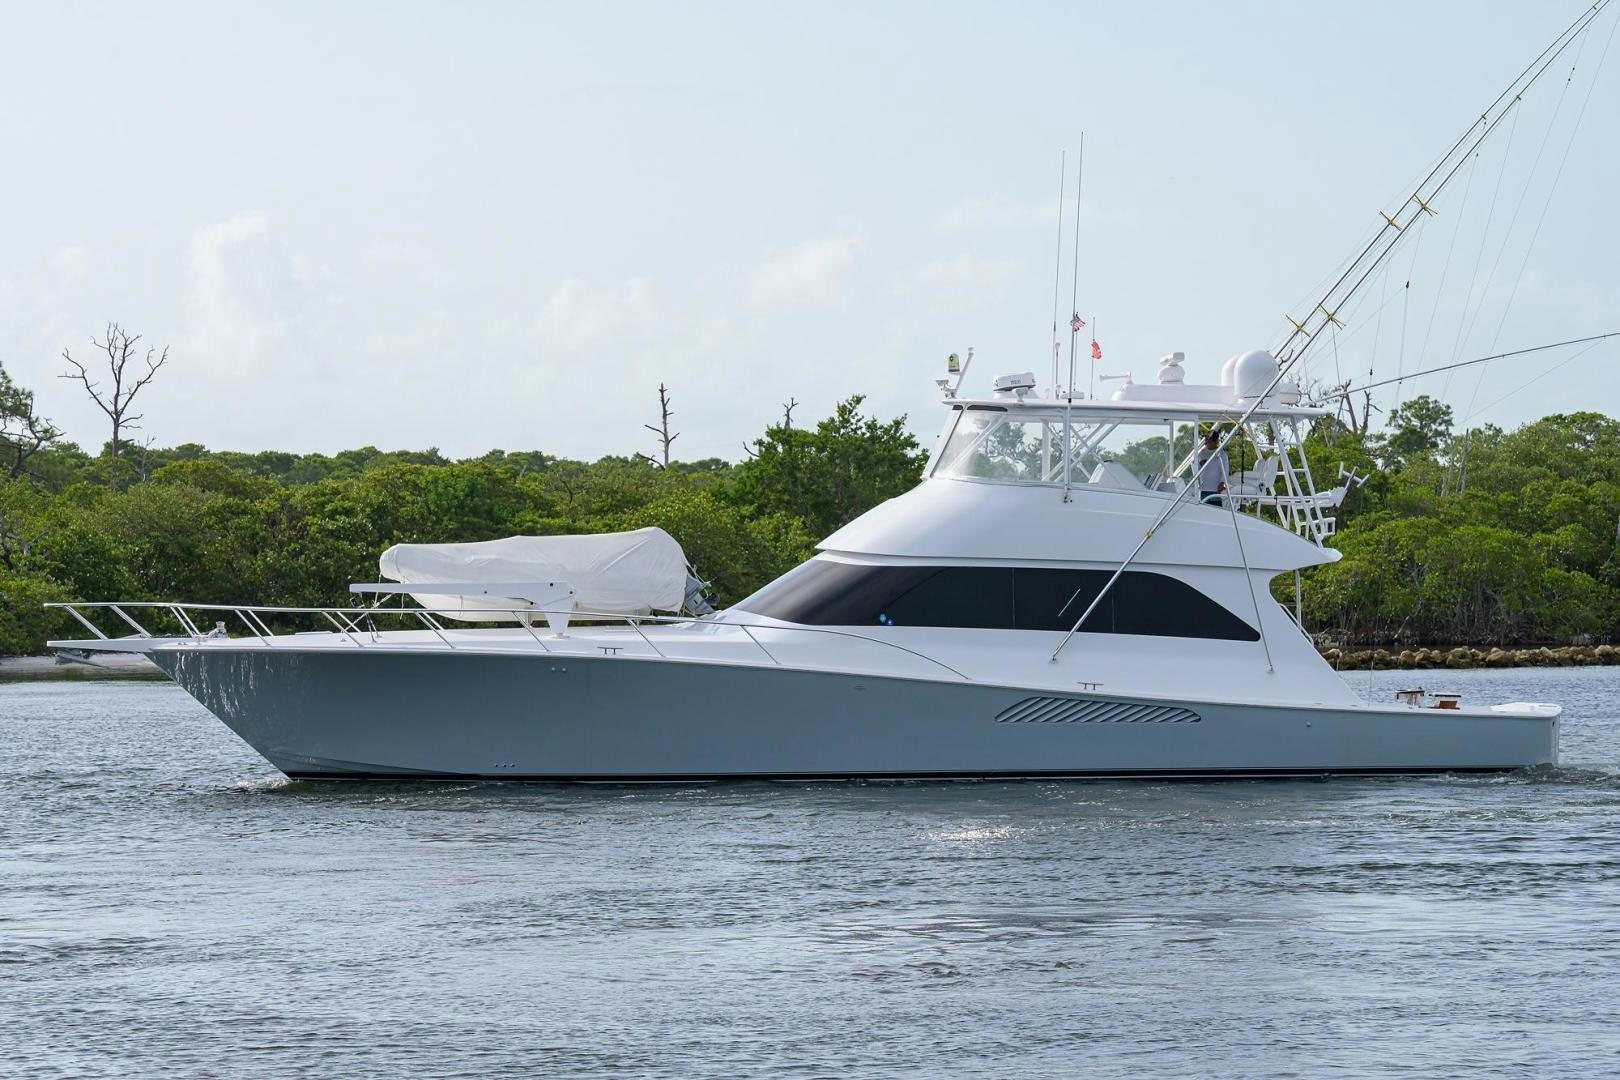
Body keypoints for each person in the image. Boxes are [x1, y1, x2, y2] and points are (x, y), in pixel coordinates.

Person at [1196, 429, 1228, 507]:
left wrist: (1222, 483)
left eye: (1209, 440)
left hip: (1215, 491)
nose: (1206, 442)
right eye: (1206, 439)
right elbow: (1197, 470)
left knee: (1216, 511)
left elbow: (1225, 471)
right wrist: (1200, 464)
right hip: (1204, 490)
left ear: (1215, 441)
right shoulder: (1201, 453)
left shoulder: (1222, 454)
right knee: (1203, 510)